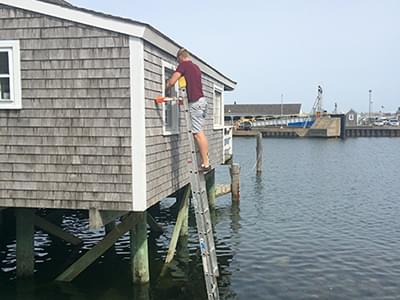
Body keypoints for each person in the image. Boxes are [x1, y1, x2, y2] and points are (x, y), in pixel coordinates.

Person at [167, 48, 210, 172]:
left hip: (196, 104)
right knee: (199, 132)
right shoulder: (195, 67)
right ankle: (206, 160)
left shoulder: (183, 65)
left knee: (197, 134)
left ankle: (206, 163)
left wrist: (167, 85)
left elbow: (172, 81)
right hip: (201, 102)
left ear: (180, 57)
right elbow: (192, 88)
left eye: (177, 61)